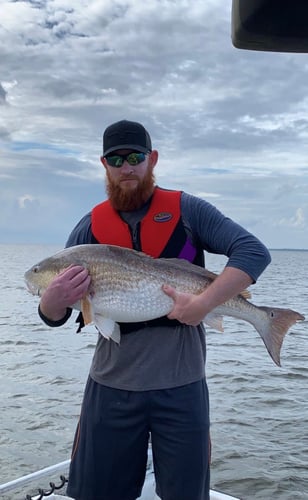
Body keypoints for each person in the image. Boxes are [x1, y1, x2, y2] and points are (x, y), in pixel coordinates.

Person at [38, 119, 271, 500]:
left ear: (152, 159)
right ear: (104, 165)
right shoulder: (88, 229)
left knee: (186, 494)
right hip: (111, 385)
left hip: (182, 386)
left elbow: (254, 252)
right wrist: (50, 303)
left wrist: (204, 305)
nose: (127, 167)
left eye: (135, 157)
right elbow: (60, 314)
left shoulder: (188, 210)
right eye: (117, 159)